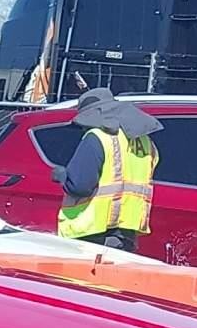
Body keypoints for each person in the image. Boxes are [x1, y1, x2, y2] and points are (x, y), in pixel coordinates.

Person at [53, 88, 162, 250]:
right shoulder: (146, 142)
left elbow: (79, 186)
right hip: (126, 234)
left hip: (91, 232)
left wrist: (61, 176)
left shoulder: (97, 137)